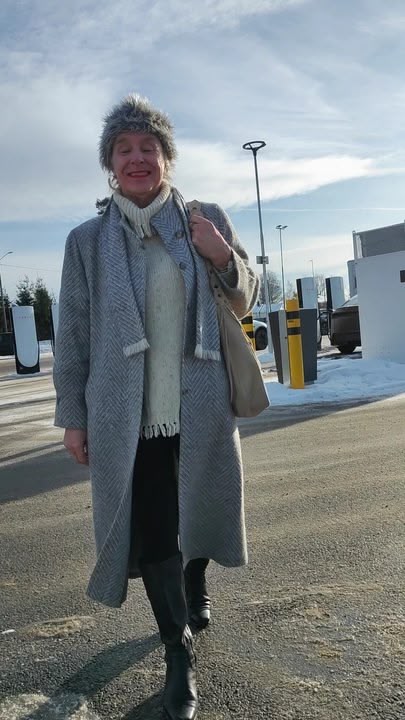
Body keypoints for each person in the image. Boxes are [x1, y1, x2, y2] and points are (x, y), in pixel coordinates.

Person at [53, 94, 259, 720]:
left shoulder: (204, 219)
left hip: (199, 403)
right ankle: (178, 651)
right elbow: (74, 334)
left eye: (149, 147)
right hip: (125, 416)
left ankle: (195, 586)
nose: (137, 158)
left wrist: (220, 254)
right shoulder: (87, 242)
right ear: (110, 164)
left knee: (196, 509)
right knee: (153, 529)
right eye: (124, 149)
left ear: (166, 157)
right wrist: (73, 416)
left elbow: (249, 297)